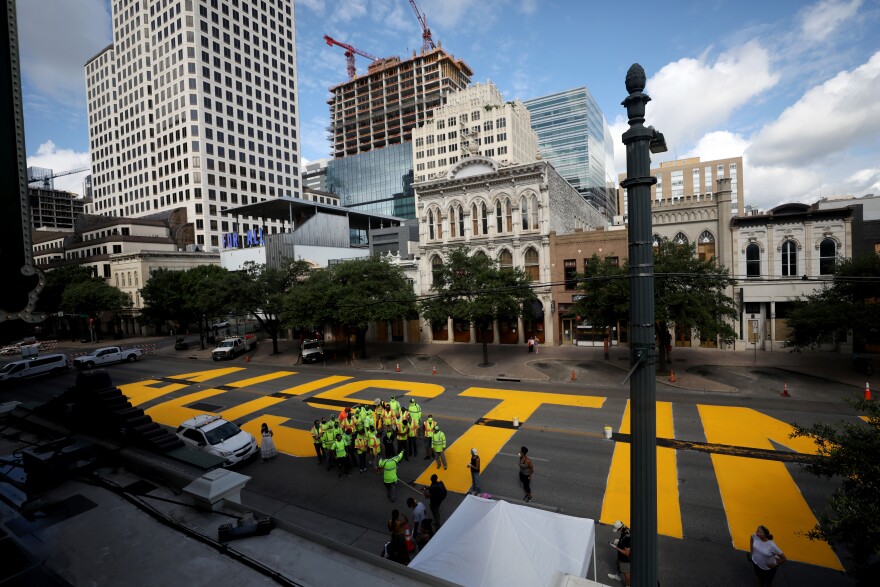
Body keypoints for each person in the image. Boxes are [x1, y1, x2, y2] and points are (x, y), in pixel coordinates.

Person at [608, 520, 631, 585]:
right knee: (618, 562)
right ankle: (618, 576)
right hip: (621, 554)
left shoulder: (627, 538)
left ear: (619, 528)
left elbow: (627, 553)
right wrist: (619, 541)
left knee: (627, 576)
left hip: (626, 558)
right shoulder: (625, 529)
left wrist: (616, 547)